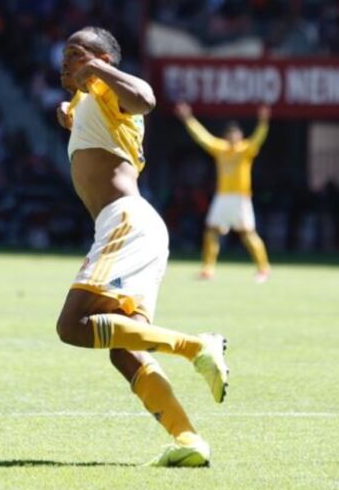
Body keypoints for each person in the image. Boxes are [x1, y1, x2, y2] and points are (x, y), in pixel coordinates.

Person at [55, 26, 229, 467]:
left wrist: (92, 72)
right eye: (65, 54)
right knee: (124, 351)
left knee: (72, 326)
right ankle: (190, 441)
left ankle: (197, 346)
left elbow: (146, 99)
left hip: (125, 222)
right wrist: (71, 113)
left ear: (103, 60)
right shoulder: (90, 99)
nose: (67, 60)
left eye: (77, 53)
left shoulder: (111, 89)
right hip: (132, 227)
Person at [174, 101, 272, 282]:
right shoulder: (221, 149)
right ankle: (208, 268)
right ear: (227, 136)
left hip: (240, 198)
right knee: (211, 231)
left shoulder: (245, 149)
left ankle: (264, 268)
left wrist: (263, 122)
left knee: (247, 233)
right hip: (222, 197)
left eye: (236, 133)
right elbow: (202, 137)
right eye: (230, 134)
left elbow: (259, 138)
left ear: (240, 135)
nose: (233, 136)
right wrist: (188, 119)